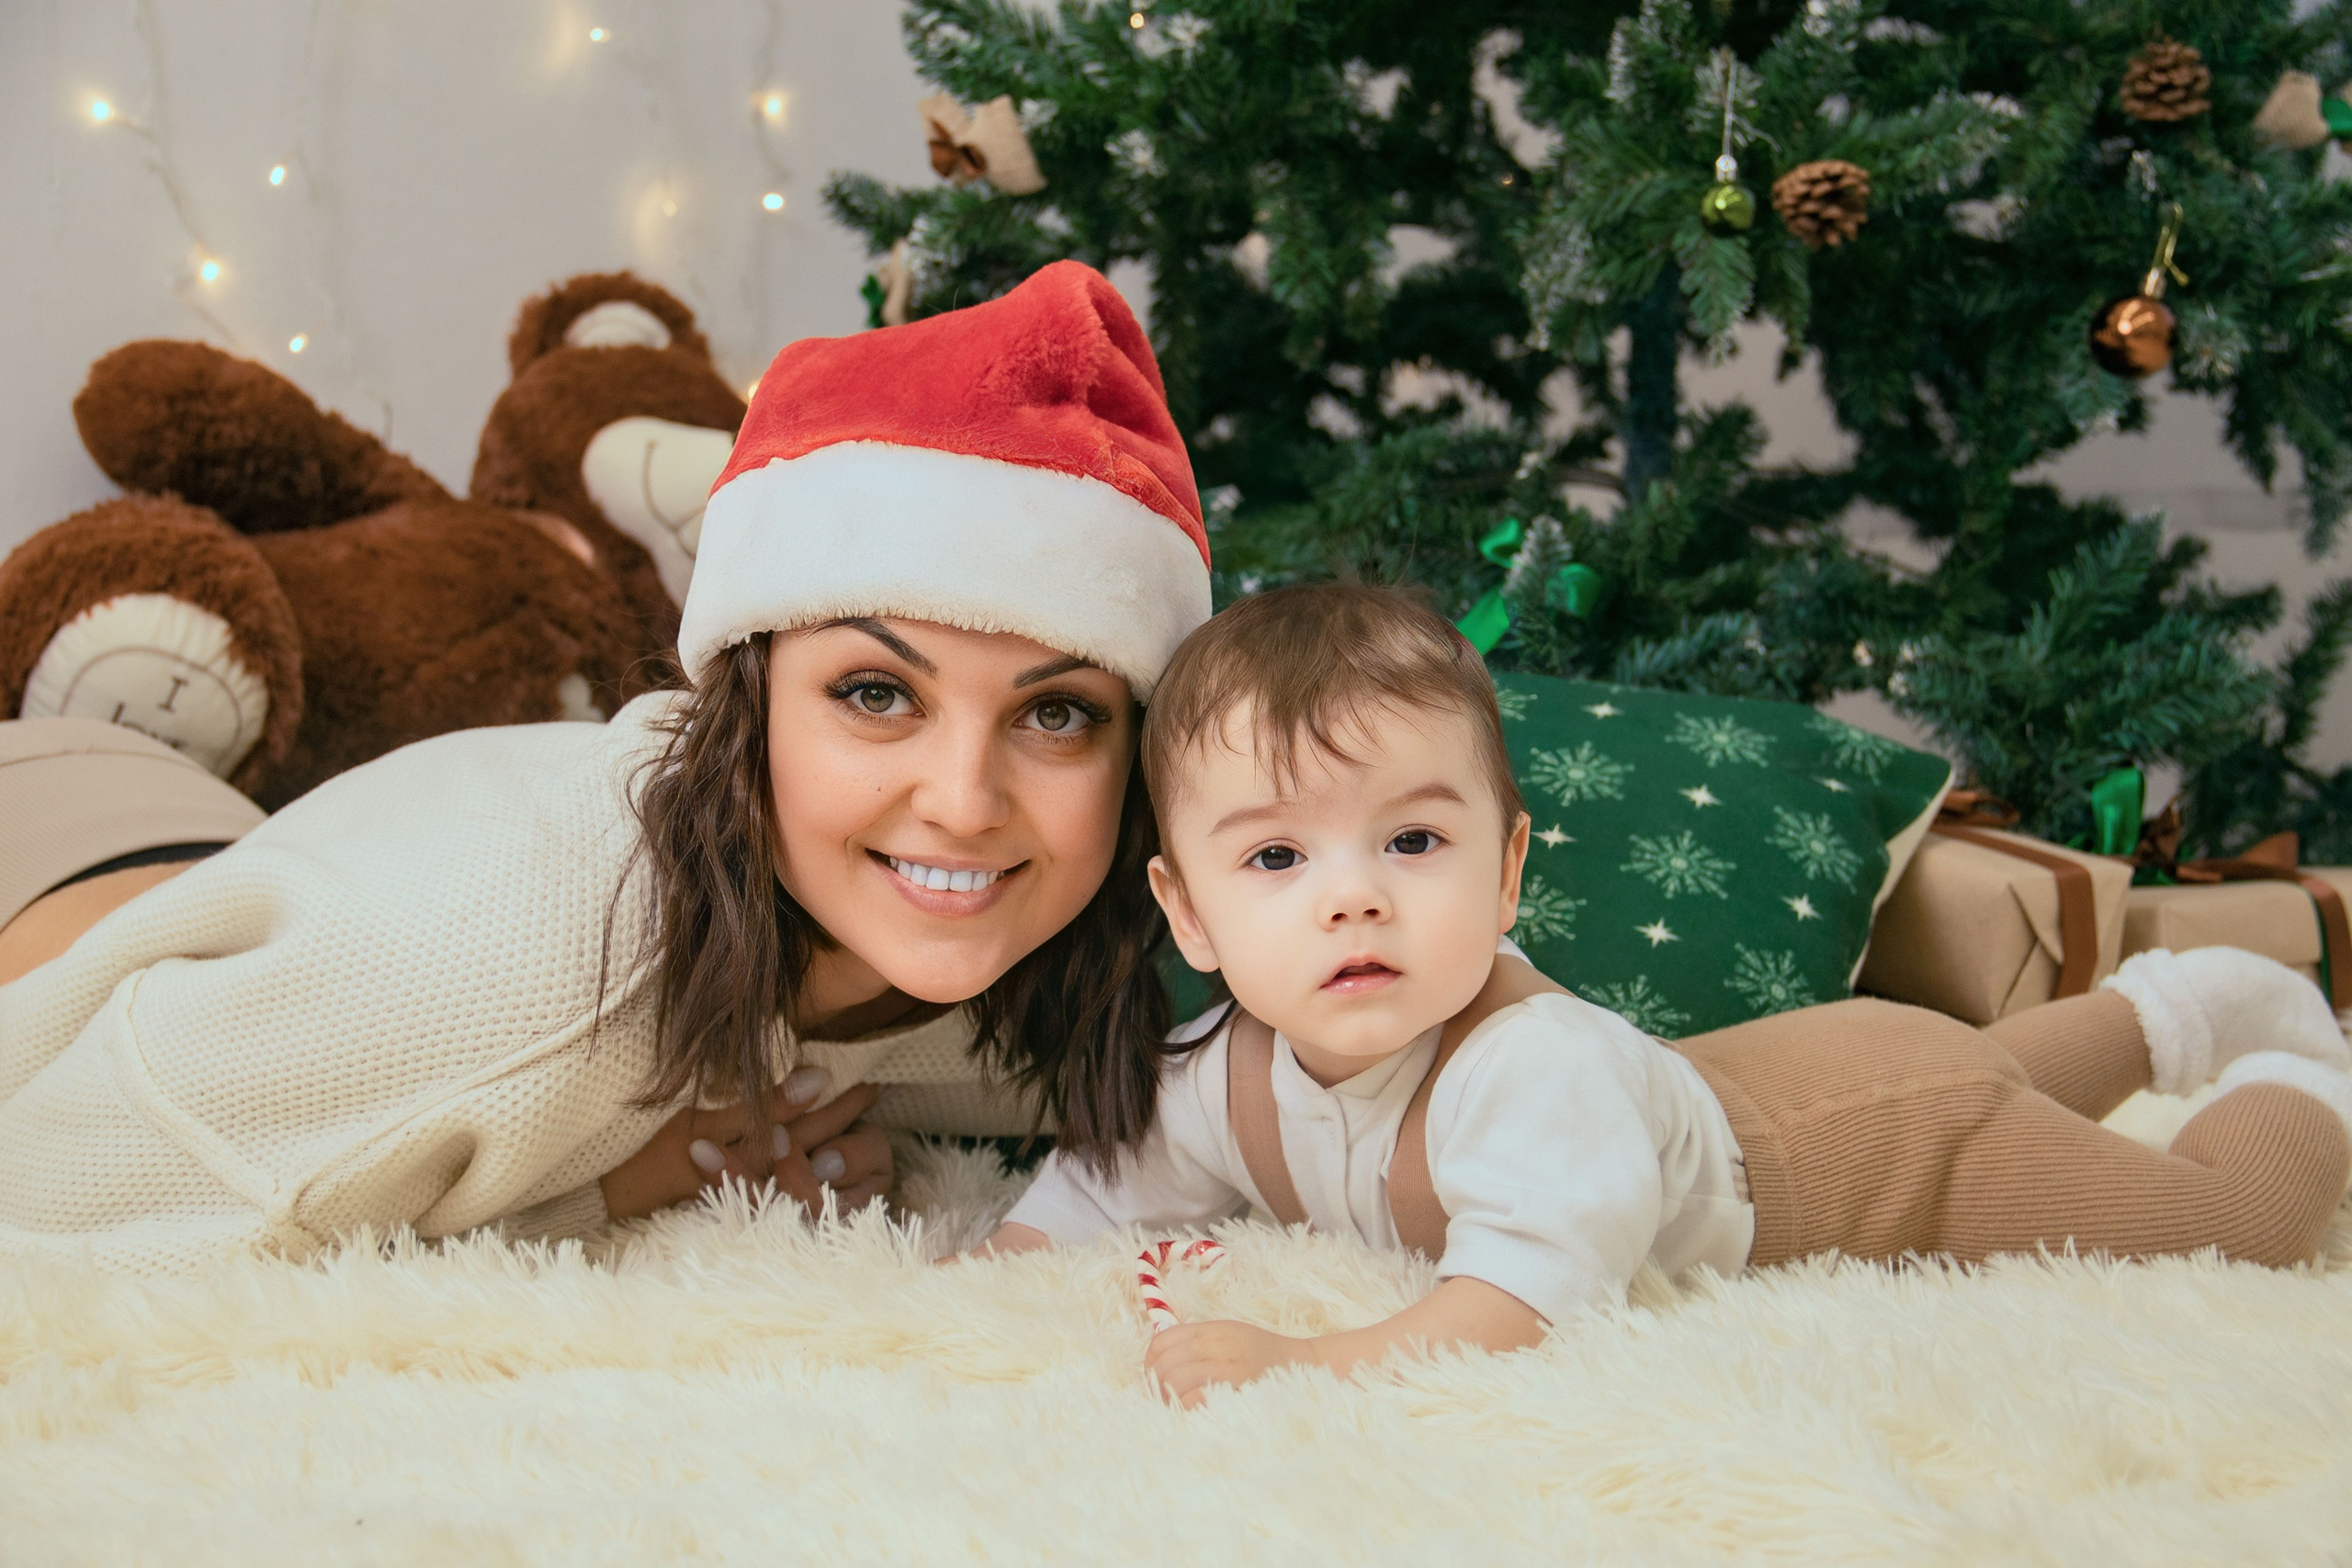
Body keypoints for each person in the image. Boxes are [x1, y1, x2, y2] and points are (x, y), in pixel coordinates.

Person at [0, 260, 1211, 1271]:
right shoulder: (522, 980)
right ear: (742, 707)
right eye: (876, 694)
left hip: (224, 857)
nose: (963, 804)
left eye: (1056, 715)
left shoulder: (1055, 936)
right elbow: (45, 1205)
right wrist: (608, 1188)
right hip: (45, 840)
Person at [978, 583, 2352, 1406]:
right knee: (1989, 1064)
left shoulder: (1529, 1069)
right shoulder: (1216, 1073)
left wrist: (1308, 1362)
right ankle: (2165, 1002)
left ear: (1508, 871)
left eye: (1413, 841)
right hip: (1805, 1067)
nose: (1355, 896)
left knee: (2216, 1215)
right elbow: (1099, 1194)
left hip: (1864, 1163)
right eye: (1277, 856)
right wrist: (988, 1281)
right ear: (1187, 914)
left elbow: (1530, 1297)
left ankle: (2294, 1056)